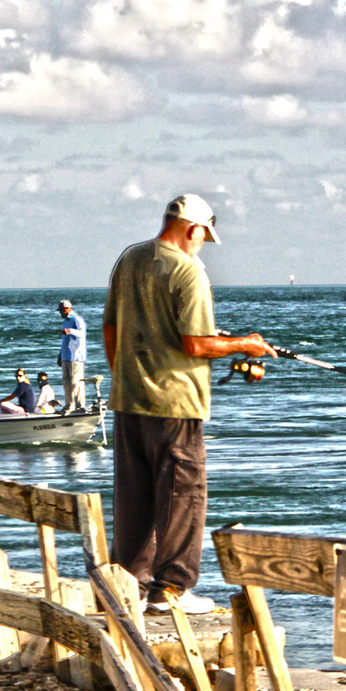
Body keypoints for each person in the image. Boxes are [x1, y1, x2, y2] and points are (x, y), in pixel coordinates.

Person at [103, 193, 274, 615]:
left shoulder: (131, 259)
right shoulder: (188, 271)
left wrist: (125, 376)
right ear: (193, 229)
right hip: (176, 404)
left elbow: (111, 329)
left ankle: (132, 587)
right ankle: (172, 589)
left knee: (135, 497)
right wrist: (245, 345)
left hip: (129, 400)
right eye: (204, 237)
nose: (203, 245)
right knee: (183, 493)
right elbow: (196, 343)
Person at [57, 299, 87, 413]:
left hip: (76, 356)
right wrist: (60, 355)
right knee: (66, 382)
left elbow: (82, 333)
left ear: (67, 309)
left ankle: (80, 406)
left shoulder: (77, 319)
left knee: (76, 382)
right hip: (66, 356)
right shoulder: (65, 322)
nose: (60, 313)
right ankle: (69, 406)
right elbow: (64, 340)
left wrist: (70, 331)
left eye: (61, 310)